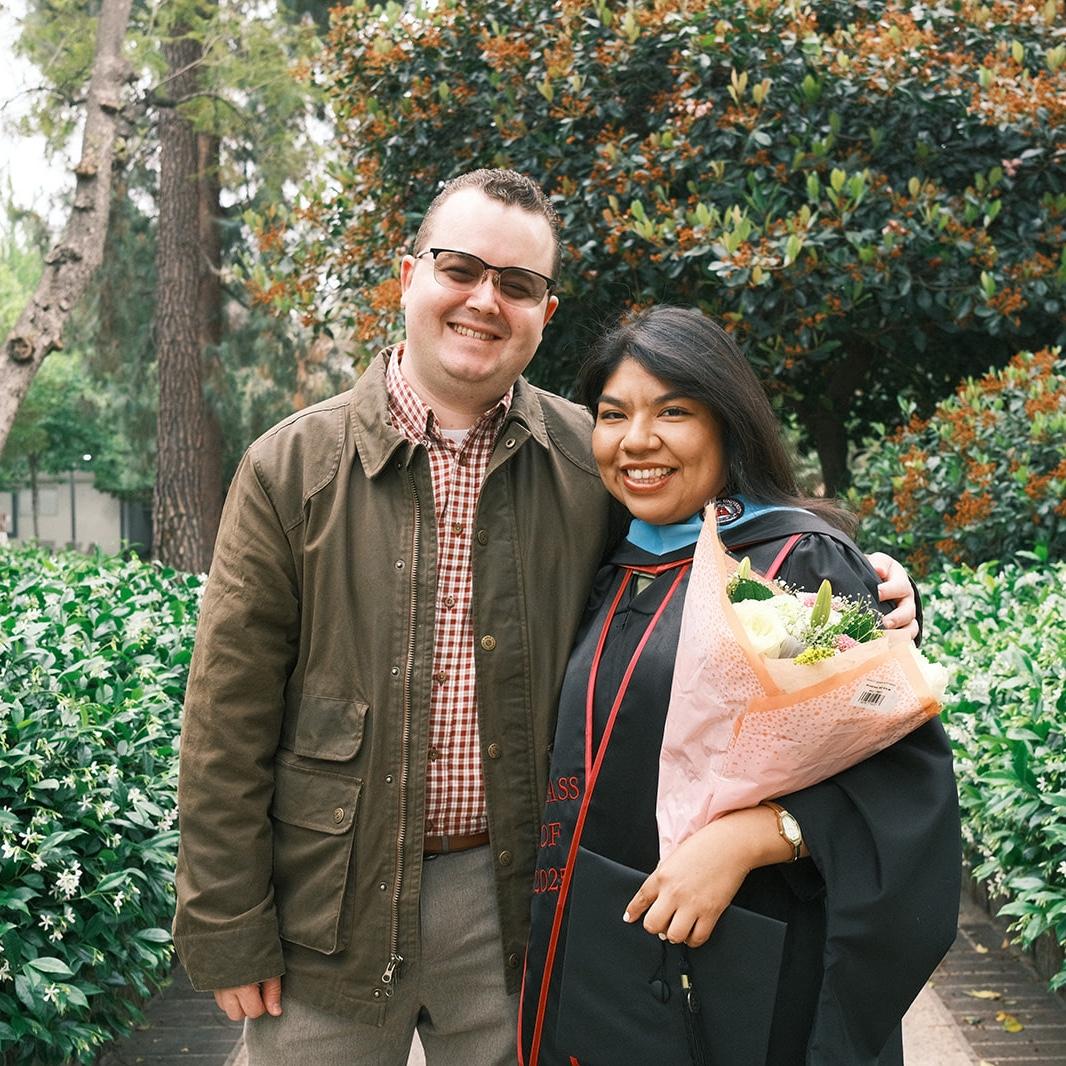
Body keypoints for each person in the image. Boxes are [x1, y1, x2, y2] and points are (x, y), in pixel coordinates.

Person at [173, 170, 922, 1065]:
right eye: (461, 268)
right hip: (324, 911)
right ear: (409, 276)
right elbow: (227, 720)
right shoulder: (290, 468)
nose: (485, 300)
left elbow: (731, 552)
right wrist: (226, 926)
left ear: (544, 311)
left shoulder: (593, 459)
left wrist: (869, 591)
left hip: (520, 906)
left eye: (517, 284)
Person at [519, 306, 961, 1066]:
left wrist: (750, 838)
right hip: (605, 956)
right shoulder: (607, 562)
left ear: (728, 422)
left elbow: (898, 776)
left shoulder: (789, 565)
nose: (636, 441)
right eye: (613, 414)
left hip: (747, 973)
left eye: (674, 412)